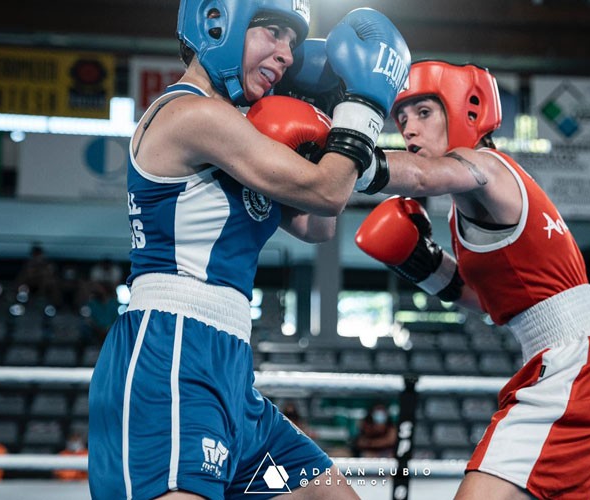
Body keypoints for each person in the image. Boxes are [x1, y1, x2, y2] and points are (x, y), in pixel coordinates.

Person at [87, 1, 410, 499]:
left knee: (330, 494)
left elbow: (318, 225)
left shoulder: (245, 131)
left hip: (229, 365)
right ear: (218, 23)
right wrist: (362, 108)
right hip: (171, 353)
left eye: (293, 43)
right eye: (273, 34)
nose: (285, 55)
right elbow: (327, 190)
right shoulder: (192, 114)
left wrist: (326, 122)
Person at [355, 60, 590, 499]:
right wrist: (427, 267)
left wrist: (341, 151)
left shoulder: (483, 165)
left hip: (580, 362)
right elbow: (493, 301)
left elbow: (419, 176)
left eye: (424, 113)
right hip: (579, 361)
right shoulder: (466, 209)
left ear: (465, 111)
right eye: (403, 118)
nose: (409, 130)